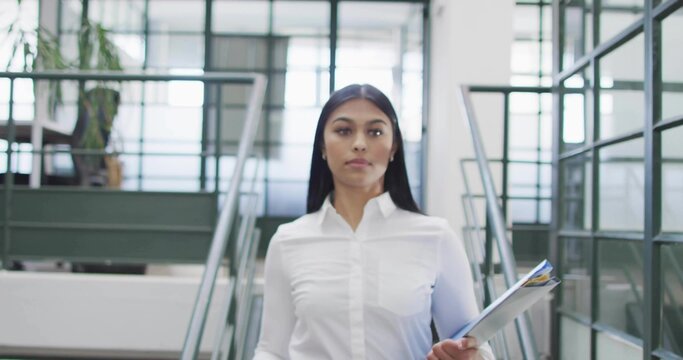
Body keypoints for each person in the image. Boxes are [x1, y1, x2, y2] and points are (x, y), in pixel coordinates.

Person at [253, 84, 494, 360]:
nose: (359, 143)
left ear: (394, 147)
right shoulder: (288, 241)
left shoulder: (435, 237)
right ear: (322, 144)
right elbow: (272, 349)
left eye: (375, 131)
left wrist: (470, 357)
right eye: (343, 131)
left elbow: (475, 346)